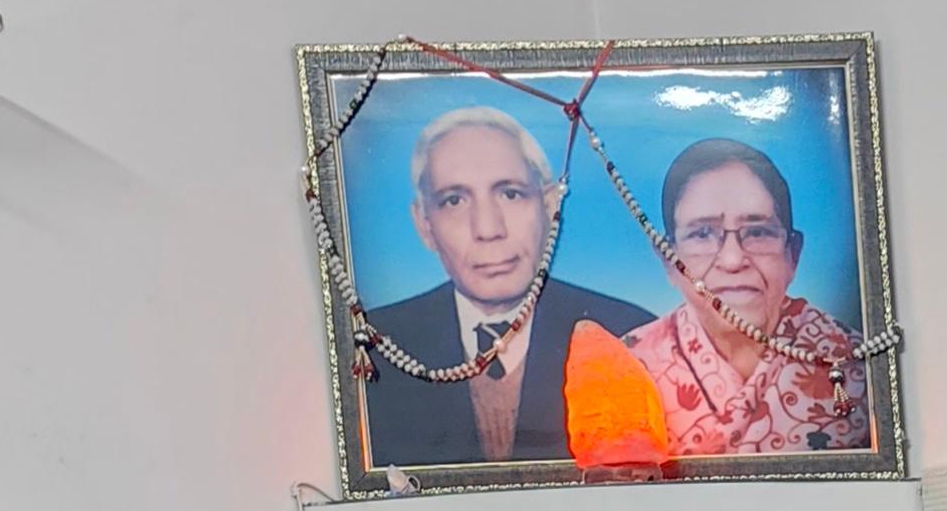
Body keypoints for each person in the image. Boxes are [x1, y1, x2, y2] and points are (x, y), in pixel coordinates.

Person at [355, 105, 634, 473]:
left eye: (510, 194)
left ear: (550, 206)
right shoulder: (376, 347)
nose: (488, 229)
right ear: (424, 224)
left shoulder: (627, 333)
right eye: (454, 200)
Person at [618, 138, 872, 457]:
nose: (733, 260)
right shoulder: (629, 365)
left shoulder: (855, 364)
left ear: (792, 254)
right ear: (669, 261)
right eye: (701, 234)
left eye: (758, 232)